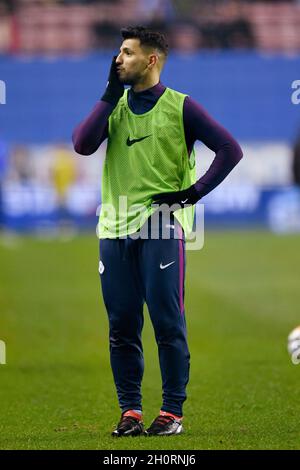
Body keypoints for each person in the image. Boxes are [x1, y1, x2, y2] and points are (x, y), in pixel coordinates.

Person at [72, 25, 243, 437]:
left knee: (167, 320)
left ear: (151, 60)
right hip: (113, 227)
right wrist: (110, 92)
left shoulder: (181, 107)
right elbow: (82, 144)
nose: (119, 59)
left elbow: (230, 150)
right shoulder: (114, 105)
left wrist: (192, 194)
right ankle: (130, 411)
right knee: (122, 325)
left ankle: (171, 413)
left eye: (127, 53)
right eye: (118, 52)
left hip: (161, 223)